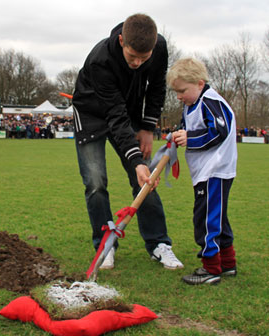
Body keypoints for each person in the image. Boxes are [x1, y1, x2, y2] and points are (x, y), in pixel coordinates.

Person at [72, 13, 183, 270]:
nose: (137, 63)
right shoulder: (100, 60)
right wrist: (136, 159)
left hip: (127, 111)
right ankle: (105, 243)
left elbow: (156, 88)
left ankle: (158, 243)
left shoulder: (159, 47)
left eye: (144, 58)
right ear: (122, 40)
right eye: (132, 56)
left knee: (145, 180)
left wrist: (146, 127)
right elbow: (114, 115)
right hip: (92, 114)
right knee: (96, 182)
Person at [168, 58, 237, 285]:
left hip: (214, 171)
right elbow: (187, 127)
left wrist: (190, 138)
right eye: (176, 92)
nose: (179, 96)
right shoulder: (192, 105)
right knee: (217, 217)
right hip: (205, 172)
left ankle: (211, 268)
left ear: (199, 83)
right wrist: (178, 135)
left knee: (206, 219)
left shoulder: (210, 101)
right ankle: (227, 264)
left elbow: (219, 131)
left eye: (182, 91)